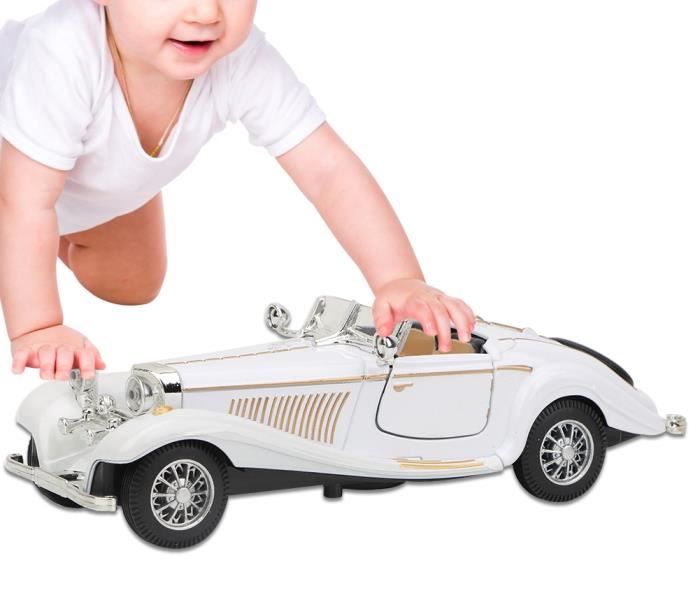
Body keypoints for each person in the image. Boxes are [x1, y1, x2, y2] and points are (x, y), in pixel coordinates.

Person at [0, 0, 476, 381]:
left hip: (76, 191)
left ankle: (32, 246)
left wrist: (398, 279)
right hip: (13, 183)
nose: (206, 13)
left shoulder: (238, 58)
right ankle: (21, 253)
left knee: (131, 283)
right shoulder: (61, 52)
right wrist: (40, 326)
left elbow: (329, 171)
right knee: (24, 216)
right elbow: (22, 201)